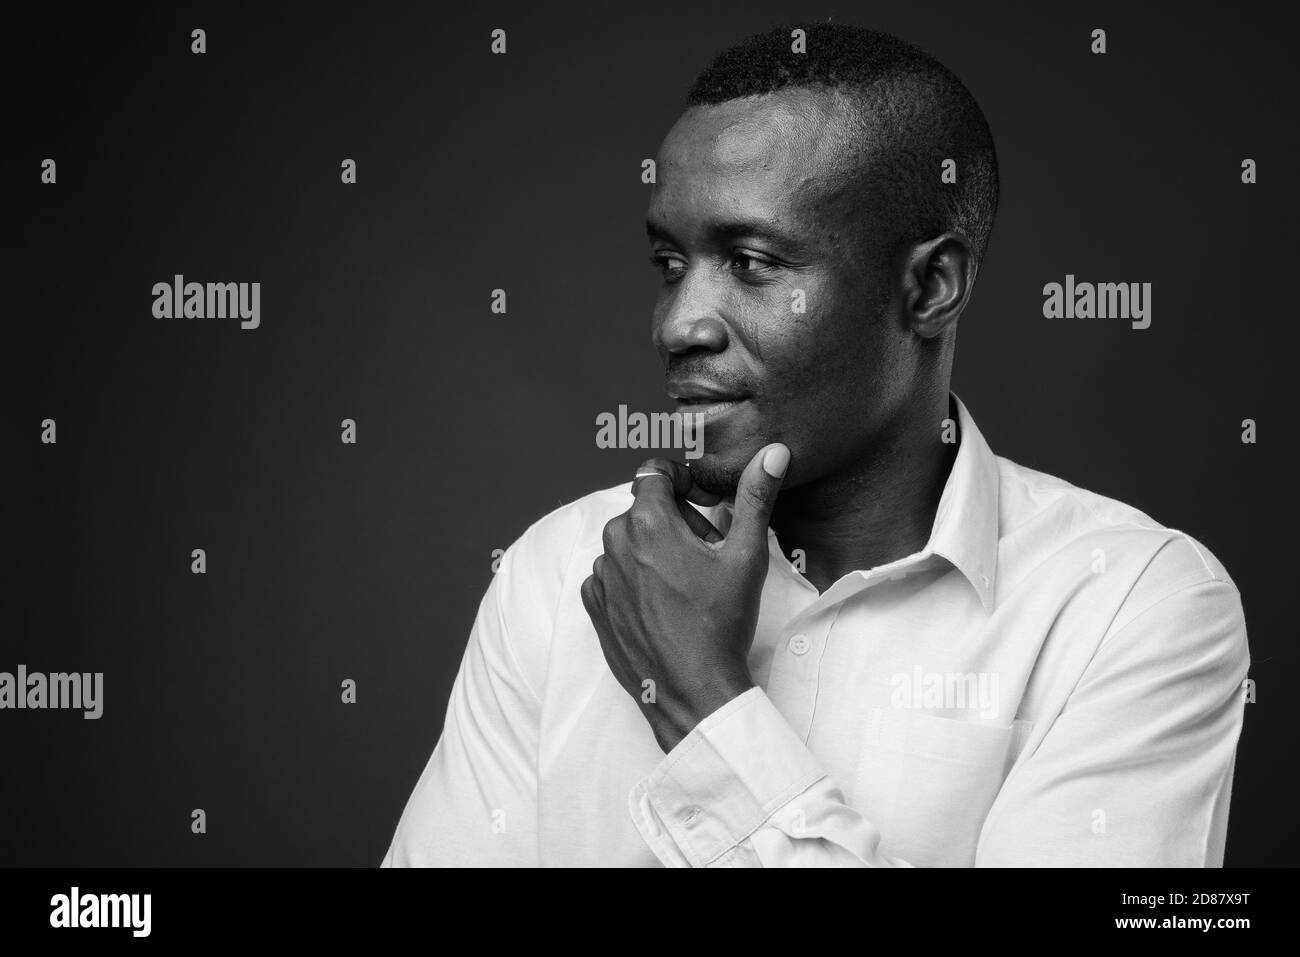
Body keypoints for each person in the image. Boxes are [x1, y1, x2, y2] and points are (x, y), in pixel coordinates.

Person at [382, 22, 1249, 867]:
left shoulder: (1130, 608)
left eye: (753, 262)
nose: (679, 324)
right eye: (671, 263)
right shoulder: (560, 571)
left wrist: (705, 707)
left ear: (931, 288)